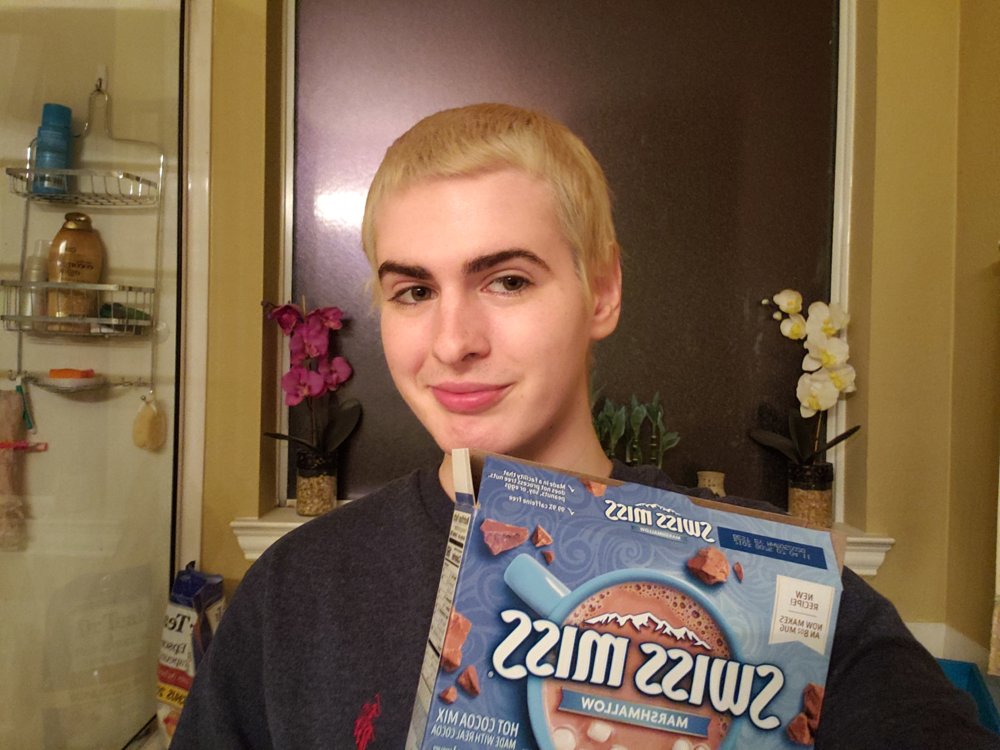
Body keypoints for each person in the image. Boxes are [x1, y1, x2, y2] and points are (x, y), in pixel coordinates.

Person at [172, 103, 998, 749]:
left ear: (602, 292)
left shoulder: (780, 598)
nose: (453, 343)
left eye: (507, 280)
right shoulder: (291, 594)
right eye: (414, 292)